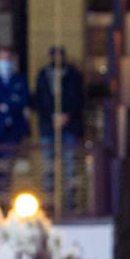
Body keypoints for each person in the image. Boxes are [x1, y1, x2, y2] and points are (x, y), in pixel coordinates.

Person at [34, 46, 84, 214]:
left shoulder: (73, 75)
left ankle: (70, 204)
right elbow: (40, 100)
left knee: (70, 167)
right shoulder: (43, 75)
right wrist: (51, 117)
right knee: (48, 167)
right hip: (49, 128)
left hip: (69, 127)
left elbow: (78, 99)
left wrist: (66, 115)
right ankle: (48, 204)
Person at [0, 46, 31, 201]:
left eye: (7, 59)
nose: (5, 62)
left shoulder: (20, 80)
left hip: (13, 131)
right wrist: (11, 102)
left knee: (9, 167)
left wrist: (6, 105)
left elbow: (23, 100)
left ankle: (7, 200)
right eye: (1, 59)